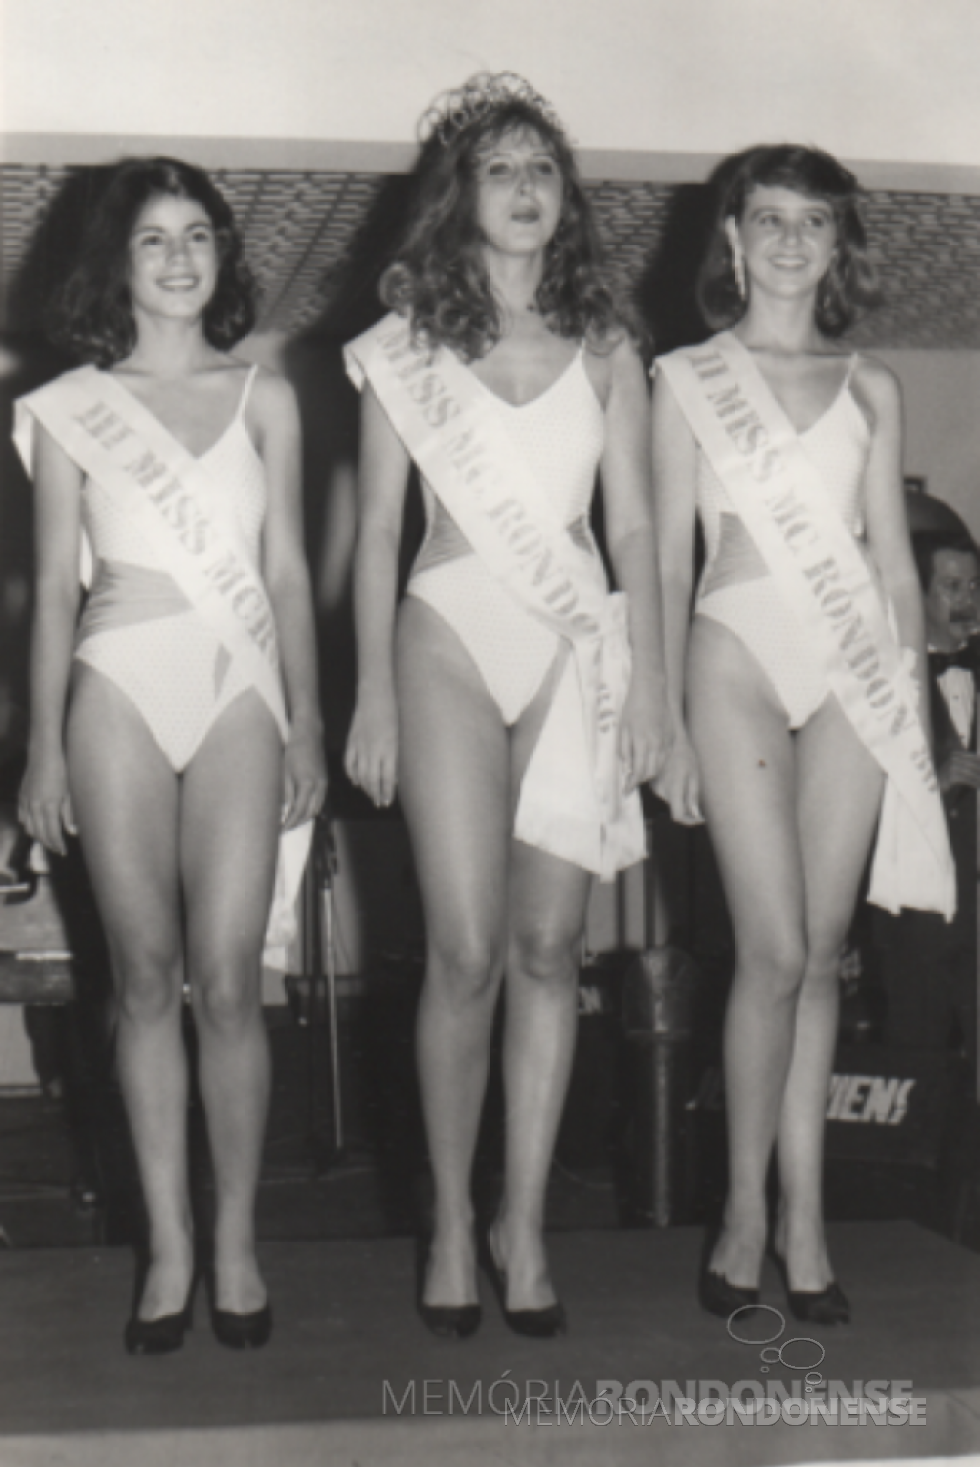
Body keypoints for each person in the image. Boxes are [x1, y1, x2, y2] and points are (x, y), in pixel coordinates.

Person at [344, 73, 669, 1337]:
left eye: (544, 168)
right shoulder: (406, 345)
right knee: (466, 948)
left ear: (564, 200)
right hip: (445, 634)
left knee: (549, 952)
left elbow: (633, 523)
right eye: (499, 168)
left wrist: (644, 685)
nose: (526, 188)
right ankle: (443, 1217)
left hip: (572, 648)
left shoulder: (607, 348)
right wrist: (369, 689)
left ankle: (520, 1223)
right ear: (459, 199)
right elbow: (372, 532)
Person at [14, 157, 326, 1353]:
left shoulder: (267, 396)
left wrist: (304, 714)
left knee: (232, 980)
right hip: (116, 689)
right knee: (142, 979)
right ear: (118, 263)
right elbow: (48, 592)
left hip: (240, 689)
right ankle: (169, 1249)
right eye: (154, 240)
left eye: (198, 235)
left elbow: (291, 572)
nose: (181, 257)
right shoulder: (67, 407)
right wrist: (41, 748)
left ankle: (237, 1241)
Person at [652, 145, 954, 1325]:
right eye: (765, 219)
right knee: (770, 949)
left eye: (810, 222)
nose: (786, 240)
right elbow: (667, 562)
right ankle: (736, 1211)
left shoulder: (870, 385)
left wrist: (910, 714)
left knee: (823, 949)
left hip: (849, 675)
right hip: (731, 652)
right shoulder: (683, 377)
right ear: (729, 238)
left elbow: (887, 562)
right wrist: (668, 722)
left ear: (836, 245)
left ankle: (804, 1222)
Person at [875, 528, 979, 1060]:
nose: (967, 600)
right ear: (916, 592)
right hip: (919, 916)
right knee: (915, 1066)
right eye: (952, 586)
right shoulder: (887, 677)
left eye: (974, 585)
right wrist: (929, 785)